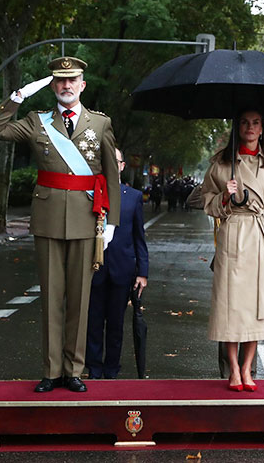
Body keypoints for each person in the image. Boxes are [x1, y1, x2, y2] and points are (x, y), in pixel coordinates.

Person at [0, 56, 121, 393]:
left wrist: (113, 221)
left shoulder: (100, 123)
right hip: (46, 219)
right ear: (52, 85)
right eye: (59, 81)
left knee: (79, 299)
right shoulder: (36, 121)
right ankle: (51, 370)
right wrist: (18, 96)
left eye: (72, 80)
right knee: (50, 298)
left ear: (82, 85)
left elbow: (112, 176)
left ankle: (73, 370)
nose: (66, 85)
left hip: (87, 219)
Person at [202, 109, 264, 392]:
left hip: (260, 236)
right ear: (237, 127)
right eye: (244, 122)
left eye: (256, 123)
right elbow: (205, 201)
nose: (250, 128)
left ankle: (247, 368)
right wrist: (224, 197)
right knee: (230, 308)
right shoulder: (220, 162)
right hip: (231, 234)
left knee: (257, 307)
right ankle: (232, 369)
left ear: (263, 128)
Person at [86, 149, 148, 379]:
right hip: (93, 269)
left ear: (122, 166)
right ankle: (93, 368)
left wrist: (143, 272)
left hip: (122, 270)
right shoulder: (89, 193)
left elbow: (139, 237)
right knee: (92, 323)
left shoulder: (133, 196)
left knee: (115, 325)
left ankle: (111, 370)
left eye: (115, 161)